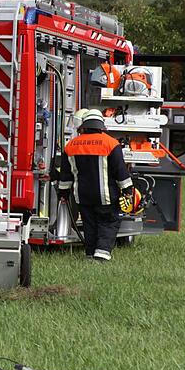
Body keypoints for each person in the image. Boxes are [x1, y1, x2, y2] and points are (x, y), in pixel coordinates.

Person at [57, 108, 133, 261]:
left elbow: (65, 175)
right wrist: (127, 190)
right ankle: (102, 253)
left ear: (84, 125)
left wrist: (63, 193)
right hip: (106, 196)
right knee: (108, 223)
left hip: (82, 196)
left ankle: (90, 253)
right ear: (101, 126)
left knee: (89, 224)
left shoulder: (71, 145)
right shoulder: (111, 144)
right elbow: (120, 170)